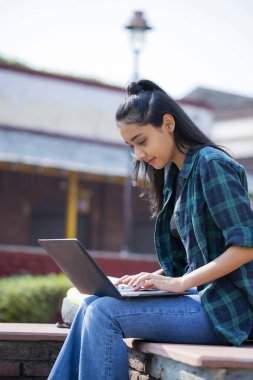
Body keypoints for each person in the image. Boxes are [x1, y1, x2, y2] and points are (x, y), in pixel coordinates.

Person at [48, 79, 253, 380]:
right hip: (201, 299)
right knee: (93, 303)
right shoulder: (175, 175)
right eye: (131, 146)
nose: (138, 155)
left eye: (141, 141)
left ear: (168, 124)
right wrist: (149, 279)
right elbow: (193, 258)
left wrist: (181, 282)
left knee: (105, 313)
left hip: (226, 311)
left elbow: (246, 246)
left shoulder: (211, 165)